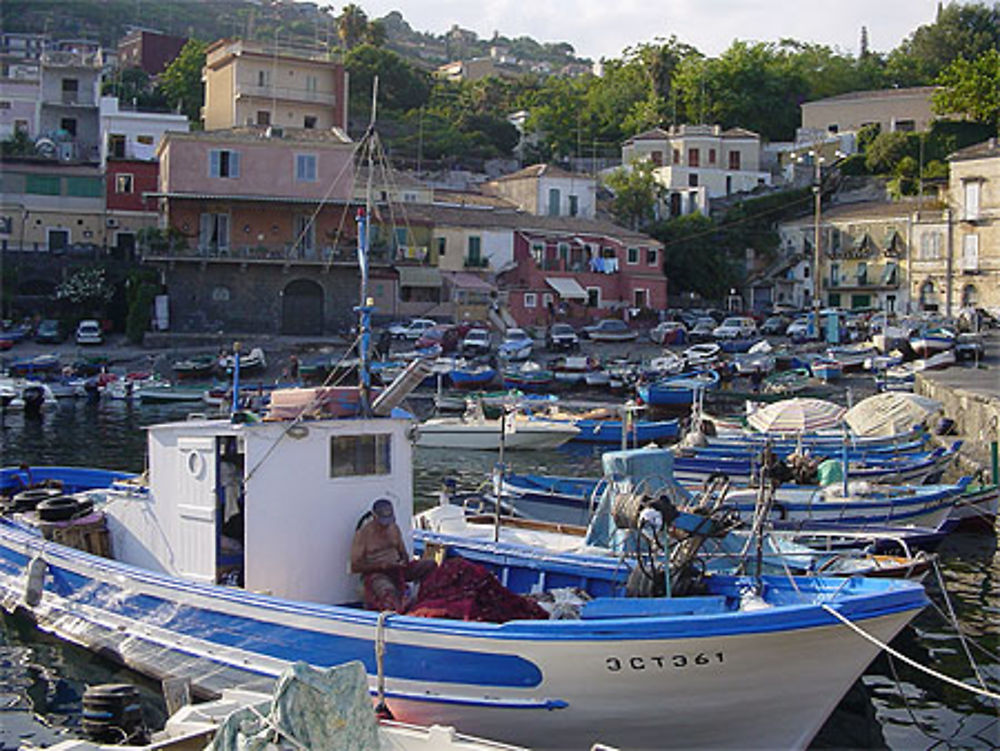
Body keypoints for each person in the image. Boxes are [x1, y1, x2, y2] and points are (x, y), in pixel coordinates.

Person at [351, 499, 435, 612]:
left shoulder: (394, 528)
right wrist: (381, 566)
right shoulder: (363, 535)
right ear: (375, 517)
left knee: (430, 565)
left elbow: (403, 552)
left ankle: (424, 600)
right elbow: (355, 566)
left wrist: (403, 562)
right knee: (388, 590)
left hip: (397, 568)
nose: (385, 526)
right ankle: (398, 610)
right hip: (377, 573)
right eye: (382, 523)